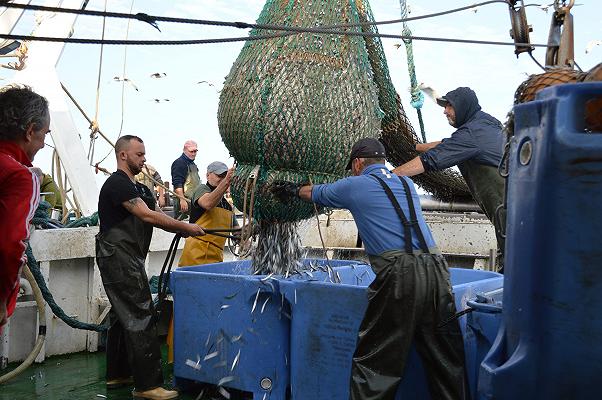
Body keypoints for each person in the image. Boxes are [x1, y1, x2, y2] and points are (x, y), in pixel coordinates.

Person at [271, 138, 468, 400]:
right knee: (445, 358)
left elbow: (316, 192)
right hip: (437, 270)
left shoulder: (355, 185)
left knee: (377, 362)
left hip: (400, 274)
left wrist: (292, 190)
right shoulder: (405, 183)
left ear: (357, 163)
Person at [96, 135, 205, 400]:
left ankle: (118, 374)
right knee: (140, 313)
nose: (144, 159)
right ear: (123, 155)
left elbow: (153, 213)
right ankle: (148, 386)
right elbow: (146, 215)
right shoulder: (117, 184)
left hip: (130, 256)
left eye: (144, 154)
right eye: (139, 154)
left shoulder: (139, 189)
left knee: (122, 316)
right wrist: (185, 227)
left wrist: (182, 222)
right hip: (118, 257)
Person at [393, 87, 506, 271]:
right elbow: (448, 144)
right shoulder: (486, 123)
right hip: (520, 212)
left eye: (450, 106)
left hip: (512, 216)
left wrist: (388, 176)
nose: (445, 111)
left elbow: (431, 160)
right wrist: (413, 146)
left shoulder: (470, 135)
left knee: (514, 272)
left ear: (462, 107)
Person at [0, 86, 49, 329]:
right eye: (44, 135)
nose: (42, 145)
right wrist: (2, 299)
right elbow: (10, 245)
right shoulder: (21, 176)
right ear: (30, 131)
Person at [178, 161, 236, 267]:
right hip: (194, 259)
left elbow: (237, 233)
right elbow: (208, 203)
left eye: (225, 176)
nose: (222, 179)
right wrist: (226, 182)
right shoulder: (201, 189)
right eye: (219, 176)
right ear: (208, 175)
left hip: (216, 261)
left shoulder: (227, 206)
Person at [170, 140, 200, 218]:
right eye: (191, 151)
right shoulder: (179, 163)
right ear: (184, 150)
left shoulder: (192, 164)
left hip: (192, 201)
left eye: (195, 151)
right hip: (184, 202)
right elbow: (177, 184)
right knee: (182, 227)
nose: (193, 154)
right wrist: (182, 200)